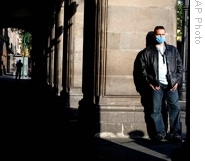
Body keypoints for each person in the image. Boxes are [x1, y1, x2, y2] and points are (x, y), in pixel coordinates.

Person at [138, 26, 184, 143]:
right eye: (158, 35)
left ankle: (176, 134)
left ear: (165, 34)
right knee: (155, 110)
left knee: (175, 108)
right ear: (154, 35)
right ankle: (159, 133)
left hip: (171, 84)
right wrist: (149, 82)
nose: (161, 37)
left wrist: (177, 81)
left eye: (163, 34)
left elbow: (180, 67)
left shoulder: (173, 50)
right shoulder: (147, 52)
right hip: (156, 84)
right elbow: (142, 70)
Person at [133, 31, 169, 139]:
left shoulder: (160, 52)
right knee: (155, 110)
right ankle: (158, 133)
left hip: (157, 86)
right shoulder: (145, 54)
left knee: (157, 110)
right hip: (150, 88)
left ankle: (159, 133)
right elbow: (140, 72)